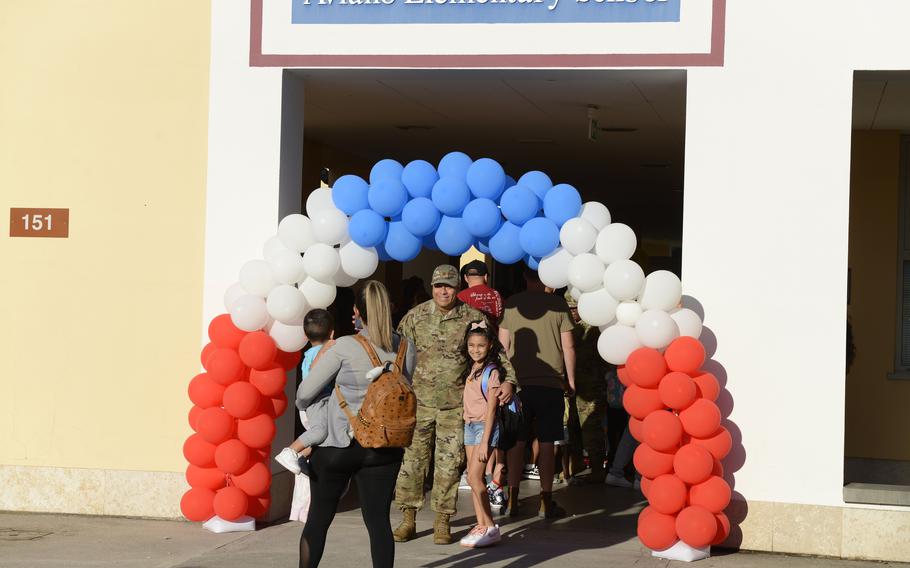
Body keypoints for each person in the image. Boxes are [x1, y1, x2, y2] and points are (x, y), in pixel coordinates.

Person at [393, 264, 516, 545]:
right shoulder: (415, 317)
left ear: (458, 287)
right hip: (419, 404)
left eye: (448, 286)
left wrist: (509, 382)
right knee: (413, 462)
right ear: (432, 287)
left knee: (449, 465)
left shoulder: (473, 318)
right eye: (438, 286)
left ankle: (442, 520)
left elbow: (498, 354)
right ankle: (408, 517)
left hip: (454, 407)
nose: (443, 291)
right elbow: (398, 356)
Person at [297, 281, 416, 568]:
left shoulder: (344, 346)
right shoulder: (407, 348)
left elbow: (303, 395)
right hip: (385, 448)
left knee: (319, 519)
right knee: (378, 523)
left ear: (356, 312)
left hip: (340, 444)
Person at [498, 267, 576, 519]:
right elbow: (568, 346)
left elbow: (502, 345)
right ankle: (545, 500)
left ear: (525, 277)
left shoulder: (512, 304)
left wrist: (502, 380)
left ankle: (512, 499)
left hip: (517, 384)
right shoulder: (558, 306)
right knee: (546, 443)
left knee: (517, 442)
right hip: (551, 383)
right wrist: (570, 381)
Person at [458, 320, 505, 548]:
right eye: (471, 345)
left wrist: (486, 441)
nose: (475, 349)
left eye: (480, 345)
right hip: (469, 425)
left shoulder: (491, 371)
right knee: (471, 476)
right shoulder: (472, 369)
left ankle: (489, 525)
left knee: (475, 477)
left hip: (483, 428)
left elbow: (492, 410)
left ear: (489, 346)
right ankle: (480, 524)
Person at [275, 309, 336, 476]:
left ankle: (301, 457)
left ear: (305, 335)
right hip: (317, 402)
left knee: (321, 434)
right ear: (332, 333)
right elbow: (317, 372)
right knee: (320, 431)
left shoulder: (308, 353)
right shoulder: (326, 352)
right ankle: (290, 451)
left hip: (310, 404)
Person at [565, 292, 607, 484]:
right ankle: (576, 465)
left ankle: (597, 469)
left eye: (574, 309)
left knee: (590, 428)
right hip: (572, 386)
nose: (571, 312)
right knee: (571, 427)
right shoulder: (566, 327)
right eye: (569, 309)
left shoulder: (594, 328)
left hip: (591, 387)